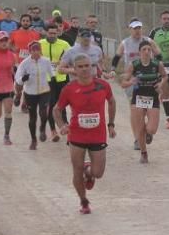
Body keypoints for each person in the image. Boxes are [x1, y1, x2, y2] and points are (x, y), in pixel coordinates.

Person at [53, 54, 117, 214]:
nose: (84, 69)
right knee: (76, 169)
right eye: (80, 67)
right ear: (74, 70)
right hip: (77, 135)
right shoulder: (69, 89)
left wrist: (111, 124)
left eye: (87, 66)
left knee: (98, 173)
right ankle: (84, 202)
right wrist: (62, 125)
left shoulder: (102, 85)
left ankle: (89, 172)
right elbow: (56, 109)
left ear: (92, 67)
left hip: (98, 134)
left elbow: (112, 101)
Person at [112, 19, 158, 149]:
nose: (137, 30)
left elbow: (158, 53)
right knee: (135, 110)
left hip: (149, 78)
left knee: (148, 106)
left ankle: (148, 131)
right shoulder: (125, 43)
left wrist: (160, 69)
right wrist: (112, 70)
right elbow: (116, 57)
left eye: (139, 28)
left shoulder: (148, 41)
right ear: (130, 29)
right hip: (132, 79)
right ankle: (138, 138)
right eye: (135, 28)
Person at [121, 40, 165, 164]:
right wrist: (131, 82)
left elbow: (165, 76)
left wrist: (160, 84)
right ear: (139, 52)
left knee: (151, 129)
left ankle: (147, 134)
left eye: (149, 50)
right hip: (138, 98)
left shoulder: (157, 64)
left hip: (152, 97)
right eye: (144, 50)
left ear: (151, 52)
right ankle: (144, 153)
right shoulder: (134, 65)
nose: (146, 52)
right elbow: (123, 83)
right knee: (139, 127)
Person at [14, 41, 55, 150]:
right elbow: (18, 78)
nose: (36, 52)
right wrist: (23, 79)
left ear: (40, 50)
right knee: (32, 117)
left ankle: (42, 128)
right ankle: (33, 140)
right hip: (30, 93)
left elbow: (52, 73)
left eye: (37, 50)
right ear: (30, 51)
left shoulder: (46, 61)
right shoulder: (25, 63)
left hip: (44, 90)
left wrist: (53, 80)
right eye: (33, 50)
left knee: (43, 113)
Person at [39, 25, 72, 142]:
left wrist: (64, 63)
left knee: (62, 104)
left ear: (57, 33)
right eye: (50, 33)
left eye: (54, 33)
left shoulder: (64, 44)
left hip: (62, 78)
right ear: (46, 33)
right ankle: (53, 131)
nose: (52, 35)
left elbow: (71, 59)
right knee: (51, 105)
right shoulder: (40, 44)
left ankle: (65, 127)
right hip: (47, 79)